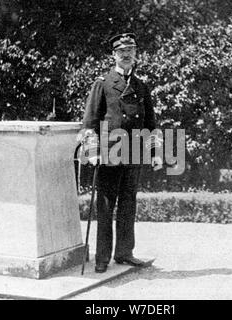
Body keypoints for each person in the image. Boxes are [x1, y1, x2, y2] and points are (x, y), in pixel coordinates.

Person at [79, 32, 162, 273]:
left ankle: (124, 253)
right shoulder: (103, 83)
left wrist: (154, 151)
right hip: (110, 153)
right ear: (113, 55)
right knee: (106, 206)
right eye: (122, 52)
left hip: (133, 152)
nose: (126, 56)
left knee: (128, 204)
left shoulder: (141, 86)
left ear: (136, 55)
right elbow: (89, 122)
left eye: (131, 52)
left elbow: (150, 124)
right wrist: (92, 151)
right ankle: (102, 258)